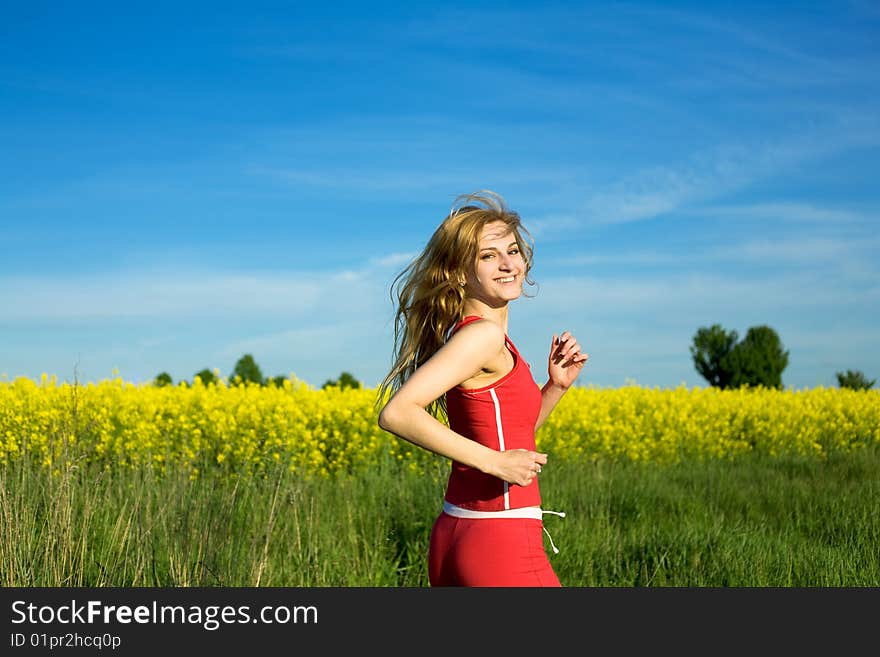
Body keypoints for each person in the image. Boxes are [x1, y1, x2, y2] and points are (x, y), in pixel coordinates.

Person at [376, 190, 589, 587]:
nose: (509, 264)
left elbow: (508, 437)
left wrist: (555, 388)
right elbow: (397, 413)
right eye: (489, 256)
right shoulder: (483, 337)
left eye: (512, 251)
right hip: (500, 538)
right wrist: (494, 463)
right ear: (460, 272)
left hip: (458, 531)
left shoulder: (476, 338)